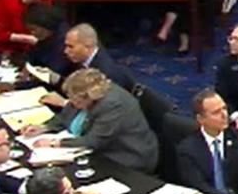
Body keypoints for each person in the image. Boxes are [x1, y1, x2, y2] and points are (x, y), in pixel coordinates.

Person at [25, 69, 159, 174]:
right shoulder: (83, 97)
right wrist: (45, 127)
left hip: (126, 155)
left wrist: (55, 143)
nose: (72, 102)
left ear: (89, 97)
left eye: (75, 100)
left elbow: (94, 141)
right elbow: (67, 114)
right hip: (97, 148)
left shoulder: (111, 105)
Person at [176, 89, 238, 194]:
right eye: (216, 112)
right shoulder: (187, 150)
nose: (224, 115)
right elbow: (199, 187)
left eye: (224, 108)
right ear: (201, 119)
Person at [23, 2, 71, 77]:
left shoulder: (63, 41)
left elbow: (53, 72)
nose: (32, 33)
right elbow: (33, 56)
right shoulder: (46, 36)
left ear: (44, 25)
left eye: (34, 29)